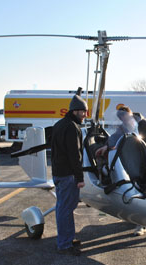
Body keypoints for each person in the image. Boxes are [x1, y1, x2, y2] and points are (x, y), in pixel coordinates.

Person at [96, 106, 146, 236]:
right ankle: (135, 217)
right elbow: (118, 136)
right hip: (136, 162)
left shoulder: (144, 125)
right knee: (133, 187)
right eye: (120, 118)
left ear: (130, 114)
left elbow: (138, 144)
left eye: (124, 117)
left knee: (144, 192)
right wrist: (107, 146)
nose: (122, 120)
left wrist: (114, 147)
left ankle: (142, 224)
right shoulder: (126, 125)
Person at [51, 93, 88, 255]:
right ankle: (65, 244)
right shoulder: (72, 128)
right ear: (75, 111)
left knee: (63, 208)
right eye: (83, 112)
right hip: (68, 175)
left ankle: (67, 238)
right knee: (66, 209)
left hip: (58, 173)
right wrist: (79, 178)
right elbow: (75, 155)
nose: (85, 115)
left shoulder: (59, 124)